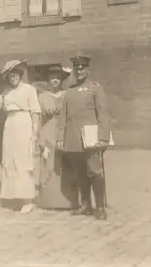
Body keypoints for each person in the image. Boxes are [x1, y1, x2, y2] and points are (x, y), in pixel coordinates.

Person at [0, 59, 42, 214]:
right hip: (10, 125)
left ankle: (28, 199)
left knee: (23, 160)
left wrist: (35, 133)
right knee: (10, 160)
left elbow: (36, 112)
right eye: (10, 76)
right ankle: (15, 197)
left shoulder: (29, 90)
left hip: (24, 123)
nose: (13, 78)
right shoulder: (6, 91)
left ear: (20, 75)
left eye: (15, 75)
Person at [56, 56, 111, 220]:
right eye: (76, 69)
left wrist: (103, 138)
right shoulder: (69, 91)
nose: (79, 71)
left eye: (82, 68)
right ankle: (86, 204)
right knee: (80, 173)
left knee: (94, 171)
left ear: (87, 70)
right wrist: (60, 137)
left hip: (90, 138)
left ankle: (100, 207)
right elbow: (63, 116)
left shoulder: (95, 89)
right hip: (73, 138)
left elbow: (103, 114)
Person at [37, 65, 79, 210]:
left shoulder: (67, 95)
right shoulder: (42, 97)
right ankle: (48, 201)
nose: (54, 81)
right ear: (48, 81)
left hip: (64, 131)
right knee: (48, 163)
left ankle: (67, 200)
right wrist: (41, 140)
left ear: (61, 80)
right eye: (51, 78)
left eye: (57, 78)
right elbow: (39, 120)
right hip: (48, 131)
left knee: (66, 164)